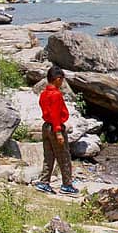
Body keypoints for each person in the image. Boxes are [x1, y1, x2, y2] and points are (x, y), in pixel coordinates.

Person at [35, 66, 79, 195]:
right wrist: (58, 132)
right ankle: (67, 184)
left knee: (48, 156)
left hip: (46, 126)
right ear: (57, 79)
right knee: (64, 156)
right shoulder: (56, 94)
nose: (62, 83)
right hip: (55, 127)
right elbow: (55, 114)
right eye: (62, 80)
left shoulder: (43, 94)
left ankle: (44, 182)